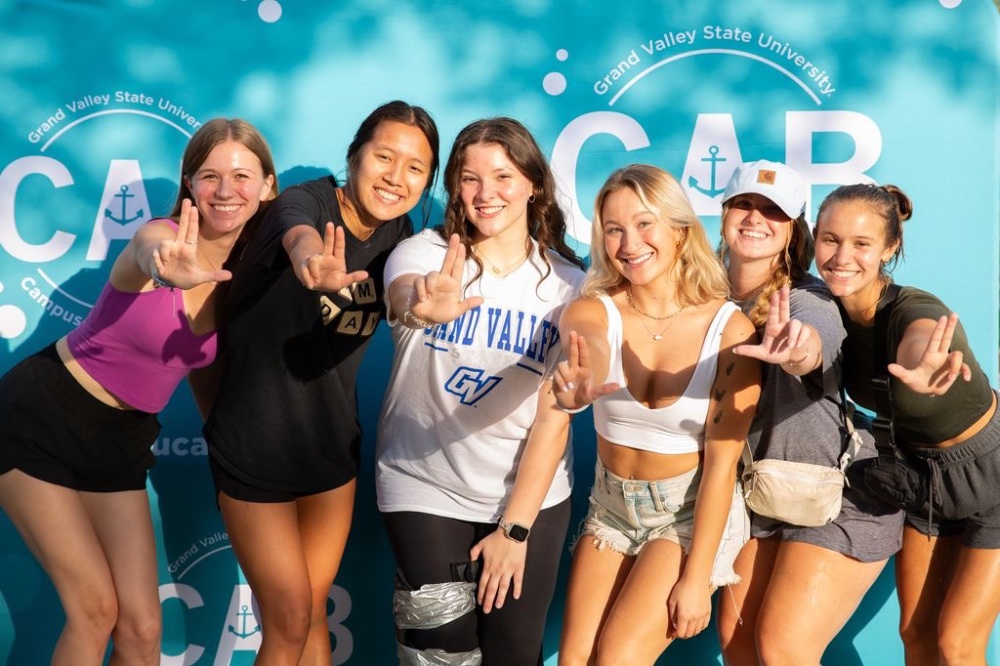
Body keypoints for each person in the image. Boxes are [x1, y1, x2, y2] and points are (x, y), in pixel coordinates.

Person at [0, 118, 277, 666]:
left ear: (268, 186)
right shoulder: (162, 239)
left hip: (123, 441)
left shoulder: (249, 276)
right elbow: (147, 248)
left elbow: (208, 374)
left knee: (144, 625)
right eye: (209, 175)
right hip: (41, 417)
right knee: (94, 610)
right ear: (189, 185)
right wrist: (164, 264)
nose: (226, 190)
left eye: (243, 176)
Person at [202, 100, 439, 665]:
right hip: (252, 447)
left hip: (331, 452)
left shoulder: (404, 238)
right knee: (286, 623)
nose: (396, 177)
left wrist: (415, 306)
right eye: (384, 156)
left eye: (415, 167)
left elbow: (404, 292)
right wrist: (313, 261)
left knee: (311, 616)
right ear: (355, 156)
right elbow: (295, 234)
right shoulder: (306, 199)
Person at [375, 117, 585, 665]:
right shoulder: (424, 256)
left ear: (534, 183)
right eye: (470, 179)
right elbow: (403, 296)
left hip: (528, 493)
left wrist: (514, 532)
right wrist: (420, 306)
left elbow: (553, 419)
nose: (485, 194)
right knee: (441, 649)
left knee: (513, 654)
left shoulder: (569, 284)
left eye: (503, 176)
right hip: (423, 480)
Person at [555, 164, 760, 665]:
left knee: (618, 657)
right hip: (611, 507)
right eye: (613, 229)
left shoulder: (729, 329)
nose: (629, 243)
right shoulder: (592, 309)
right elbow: (590, 349)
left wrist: (697, 575)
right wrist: (582, 384)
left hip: (688, 513)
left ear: (680, 229)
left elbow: (722, 464)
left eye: (645, 224)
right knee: (573, 660)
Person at [713, 161, 903, 665]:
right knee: (737, 647)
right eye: (745, 205)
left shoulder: (807, 300)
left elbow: (814, 344)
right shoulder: (704, 296)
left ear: (793, 230)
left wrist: (798, 352)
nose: (756, 219)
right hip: (761, 500)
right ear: (725, 214)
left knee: (784, 648)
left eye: (774, 211)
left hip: (838, 496)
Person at [813, 183, 1000, 665]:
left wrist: (921, 368)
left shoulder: (914, 308)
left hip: (992, 473)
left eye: (861, 244)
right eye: (830, 239)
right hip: (920, 478)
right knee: (916, 637)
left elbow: (923, 335)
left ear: (889, 248)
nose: (841, 257)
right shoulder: (824, 313)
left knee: (957, 645)